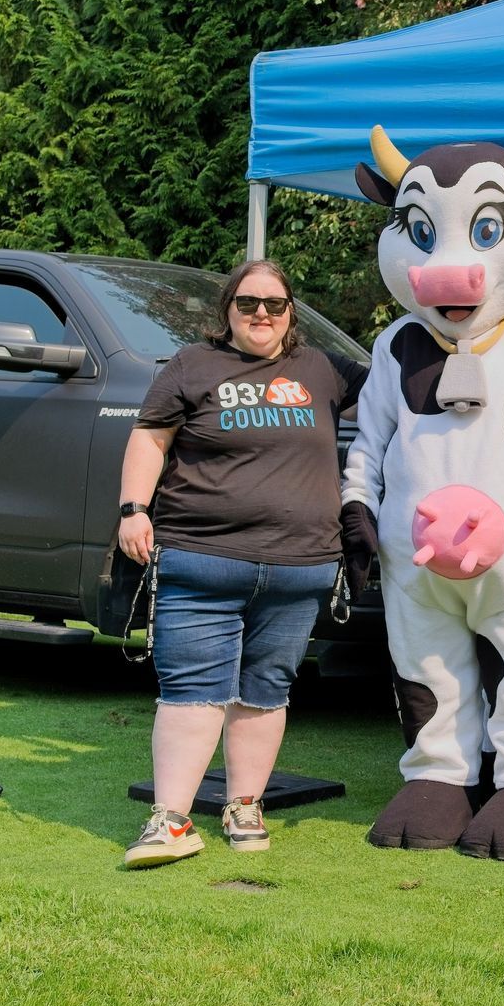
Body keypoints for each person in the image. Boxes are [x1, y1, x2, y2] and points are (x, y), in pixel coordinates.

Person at [116, 259, 366, 868]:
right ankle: (171, 821)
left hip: (298, 568)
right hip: (202, 561)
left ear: (291, 313)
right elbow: (150, 436)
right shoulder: (191, 366)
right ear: (227, 309)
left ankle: (244, 805)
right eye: (248, 303)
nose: (261, 314)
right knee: (191, 692)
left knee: (266, 691)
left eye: (274, 305)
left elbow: (403, 385)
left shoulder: (325, 370)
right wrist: (132, 510)